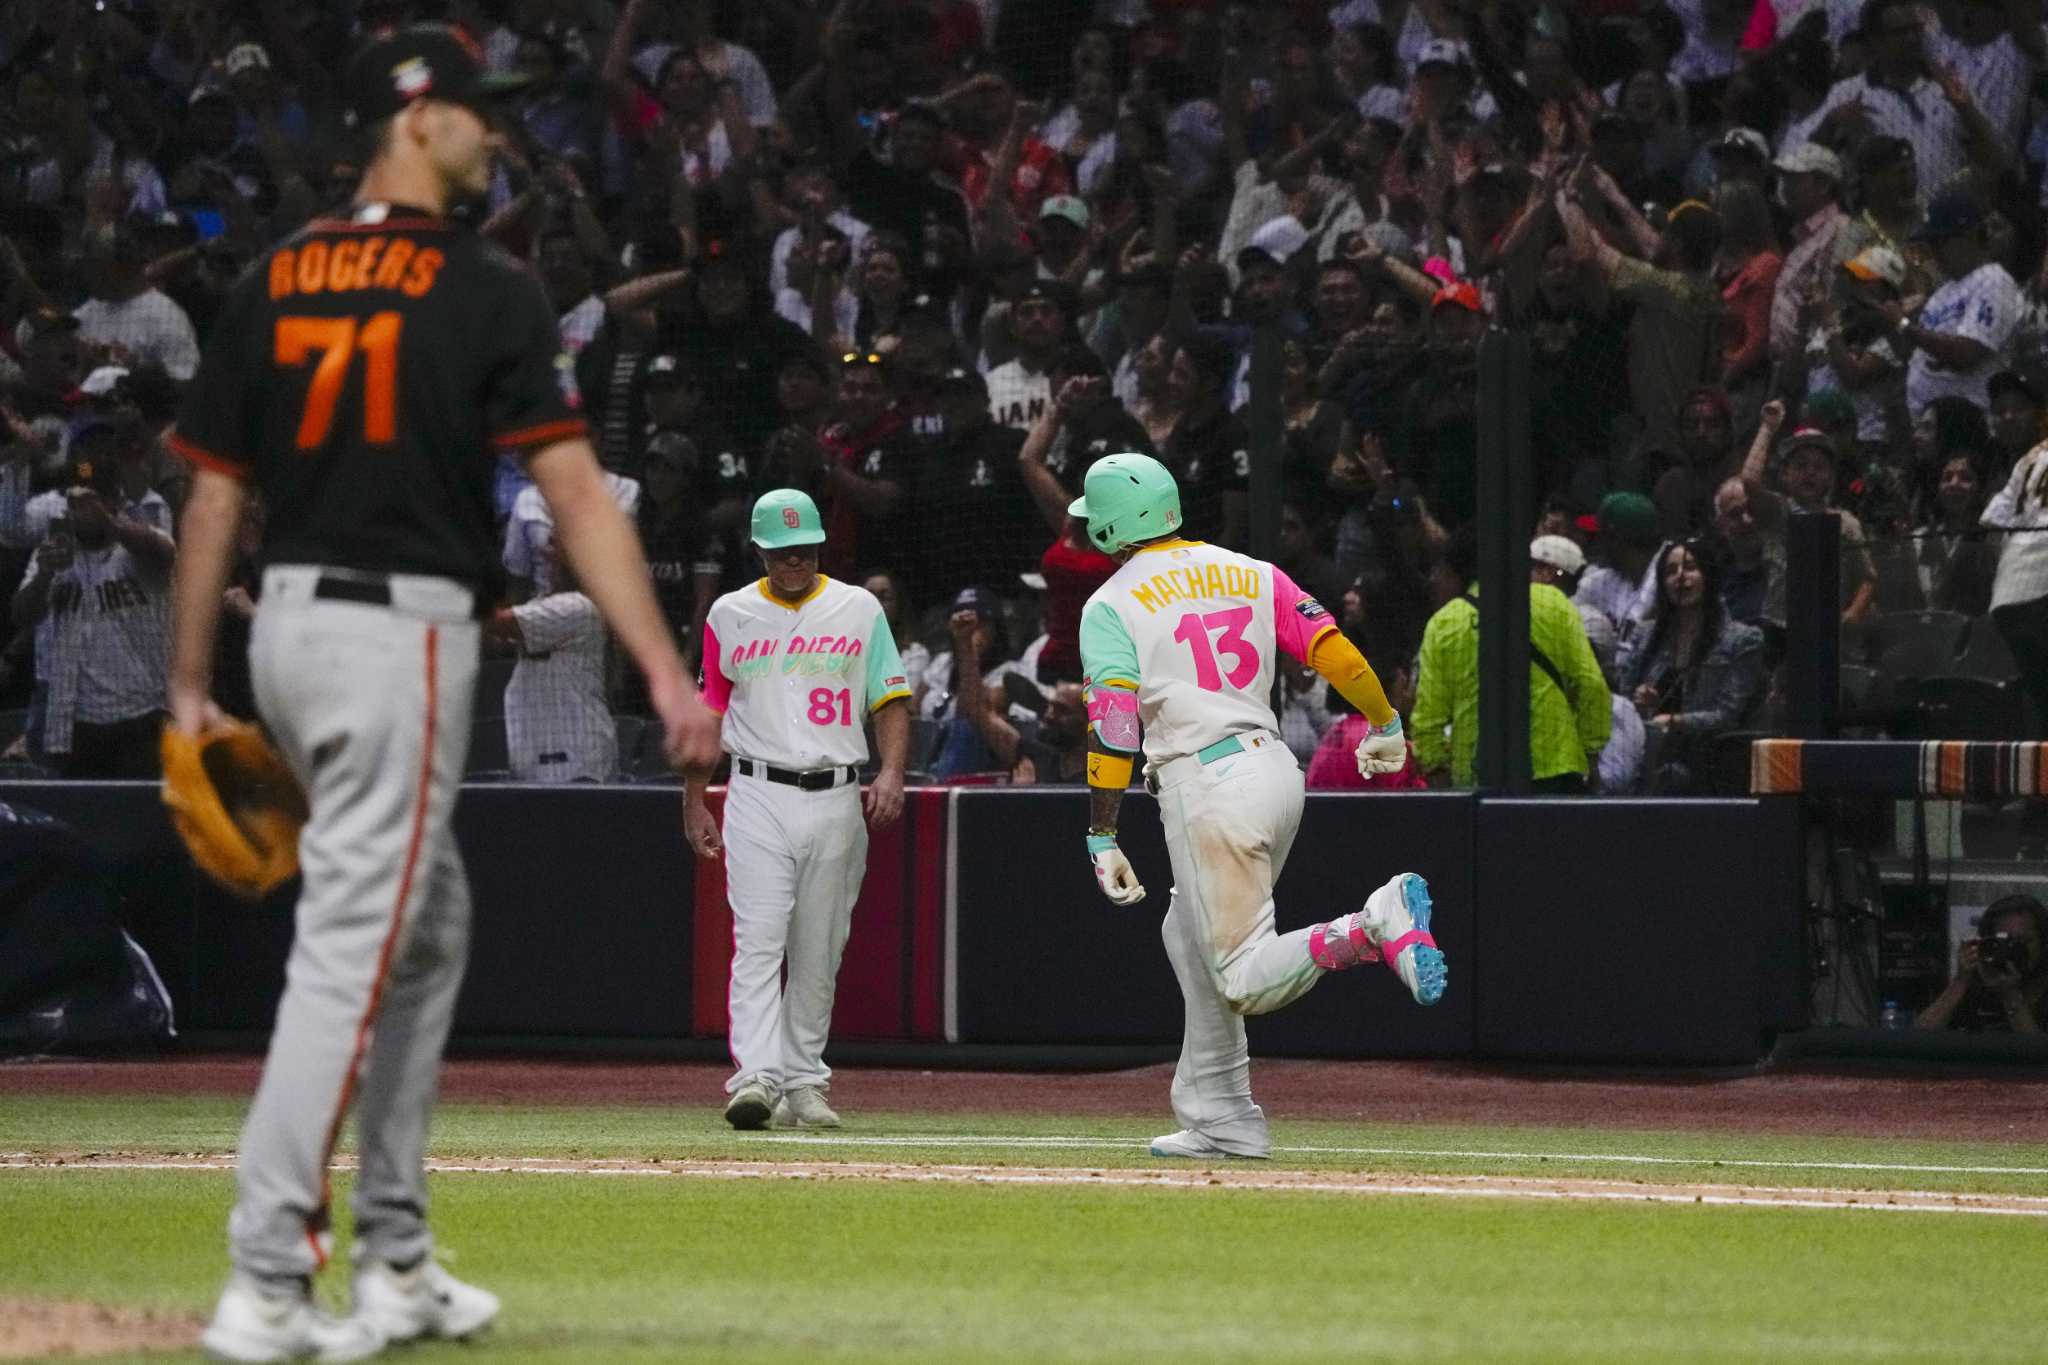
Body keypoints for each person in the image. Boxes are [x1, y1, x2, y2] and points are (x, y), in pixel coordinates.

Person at [162, 28, 722, 1363]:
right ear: (413, 120)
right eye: (477, 114)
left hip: (290, 632)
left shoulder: (280, 273)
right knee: (357, 938)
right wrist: (660, 666)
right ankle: (265, 1278)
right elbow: (576, 494)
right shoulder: (485, 287)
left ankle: (398, 1255)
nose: (495, 134)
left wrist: (190, 680)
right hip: (396, 633)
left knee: (429, 924)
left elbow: (215, 494)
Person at [1070, 452, 1444, 1160]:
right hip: (1275, 771)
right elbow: (1331, 649)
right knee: (1187, 930)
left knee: (1239, 974)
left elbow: (1115, 724)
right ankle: (1222, 1111)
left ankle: (1373, 922)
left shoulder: (1110, 602)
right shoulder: (1251, 570)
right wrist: (1387, 721)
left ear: (1110, 526)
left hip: (1205, 785)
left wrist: (1101, 831)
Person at [685, 489, 911, 1131]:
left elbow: (890, 698)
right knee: (757, 938)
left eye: (805, 550)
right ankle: (754, 1076)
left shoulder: (859, 607)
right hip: (754, 791)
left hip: (838, 789)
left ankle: (805, 1080)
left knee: (820, 946)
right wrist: (694, 799)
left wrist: (892, 770)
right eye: (782, 552)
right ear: (759, 550)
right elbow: (711, 711)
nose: (794, 562)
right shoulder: (729, 614)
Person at [1411, 526, 1613, 792]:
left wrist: (1440, 776)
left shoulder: (1445, 624)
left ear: (1456, 572)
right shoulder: (1554, 603)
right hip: (1558, 770)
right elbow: (1591, 685)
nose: (1435, 581)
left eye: (1441, 572)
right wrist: (1590, 753)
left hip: (1478, 777)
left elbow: (1428, 720)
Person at [10, 455, 175, 778]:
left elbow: (164, 554)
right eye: (73, 501)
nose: (79, 511)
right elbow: (21, 614)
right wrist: (44, 575)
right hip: (73, 720)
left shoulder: (139, 545)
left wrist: (109, 522)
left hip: (140, 717)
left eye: (89, 500)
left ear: (114, 499)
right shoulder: (54, 551)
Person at [1617, 540, 1765, 793]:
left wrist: (1675, 721)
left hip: (1708, 761)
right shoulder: (1646, 635)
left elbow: (1728, 716)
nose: (1680, 577)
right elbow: (1623, 699)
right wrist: (1641, 702)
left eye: (1690, 567)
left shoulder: (1742, 639)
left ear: (1708, 575)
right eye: (1670, 571)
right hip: (1647, 754)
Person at [1917, 894, 2048, 1032]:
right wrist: (1960, 981)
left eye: (2023, 941)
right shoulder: (1979, 986)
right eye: (2004, 941)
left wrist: (2010, 996)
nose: (2013, 948)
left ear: (2043, 942)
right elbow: (1920, 1038)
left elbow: (2035, 1051)